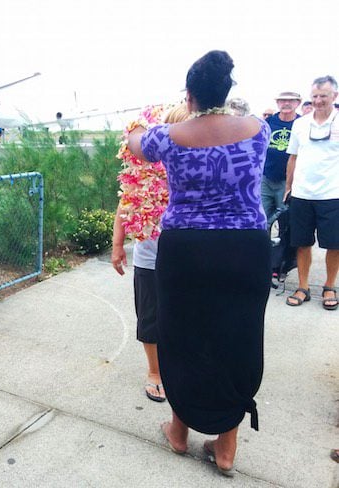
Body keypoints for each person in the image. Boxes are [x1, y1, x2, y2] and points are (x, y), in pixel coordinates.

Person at [127, 50, 271, 476]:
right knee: (238, 338)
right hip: (245, 248)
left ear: (188, 95)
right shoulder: (259, 129)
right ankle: (226, 448)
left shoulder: (169, 136)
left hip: (186, 250)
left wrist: (142, 125)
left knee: (183, 336)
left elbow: (135, 144)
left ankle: (178, 432)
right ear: (227, 92)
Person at [111, 103, 189, 404]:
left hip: (188, 257)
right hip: (150, 255)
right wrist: (118, 245)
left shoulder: (201, 167)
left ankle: (180, 366)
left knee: (184, 316)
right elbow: (126, 204)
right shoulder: (146, 167)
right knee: (151, 316)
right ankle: (155, 372)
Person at [284, 75, 339, 311]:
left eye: (323, 96)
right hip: (302, 193)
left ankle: (329, 286)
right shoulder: (300, 124)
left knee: (334, 244)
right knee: (302, 243)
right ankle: (303, 286)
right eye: (314, 96)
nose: (317, 101)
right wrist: (289, 187)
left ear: (334, 96)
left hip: (332, 193)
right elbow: (293, 157)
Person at [261, 91, 301, 224]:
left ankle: (284, 245)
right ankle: (264, 245)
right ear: (277, 103)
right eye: (283, 100)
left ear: (298, 103)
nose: (286, 103)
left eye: (291, 100)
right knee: (262, 220)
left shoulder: (302, 124)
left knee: (286, 221)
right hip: (266, 179)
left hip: (289, 181)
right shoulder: (267, 123)